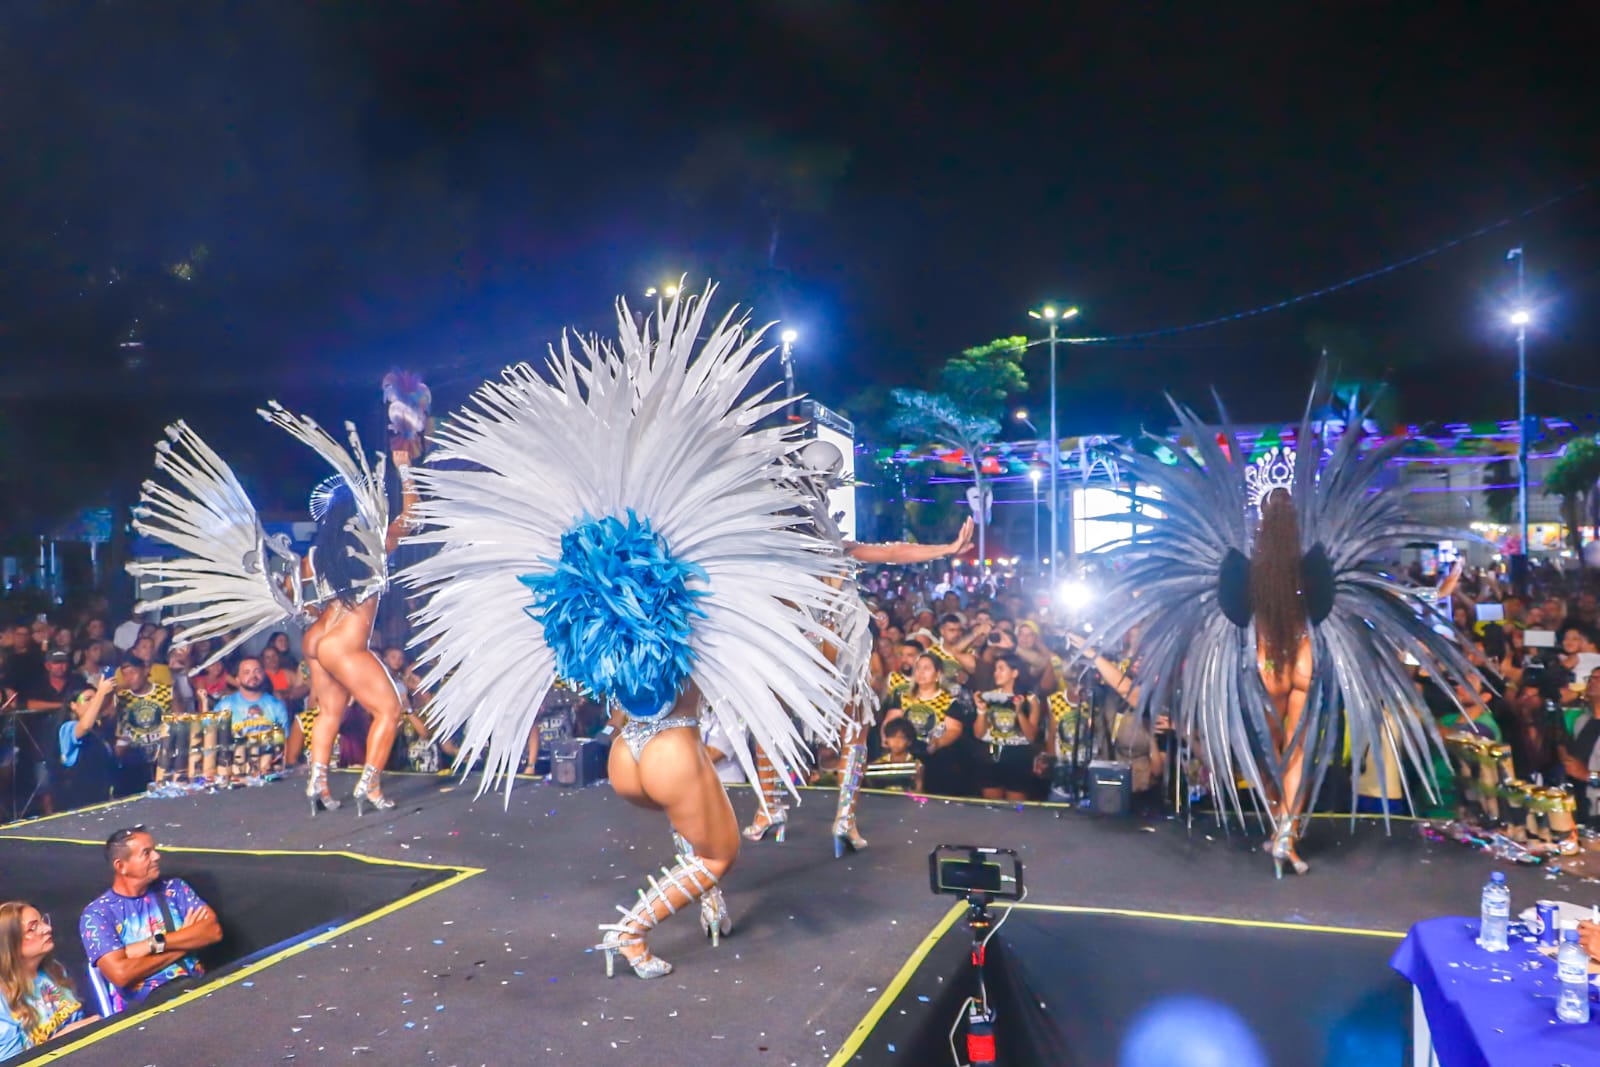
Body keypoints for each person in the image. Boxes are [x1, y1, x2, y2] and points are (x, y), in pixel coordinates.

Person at [402, 285, 853, 978]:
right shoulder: (690, 612)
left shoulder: (602, 632)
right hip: (670, 749)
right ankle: (631, 933)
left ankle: (707, 907)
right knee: (716, 850)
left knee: (697, 817)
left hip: (625, 755)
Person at [1078, 382, 1478, 877]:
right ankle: (1285, 834)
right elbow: (1369, 590)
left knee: (1269, 752)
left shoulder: (1246, 567)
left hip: (1262, 657)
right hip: (1306, 655)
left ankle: (1280, 829)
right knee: (1298, 754)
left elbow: (1197, 599)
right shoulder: (1313, 562)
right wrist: (1430, 595)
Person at [79, 827, 222, 1011]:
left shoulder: (174, 889)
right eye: (146, 853)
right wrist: (185, 944)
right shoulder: (97, 914)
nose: (157, 856)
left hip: (200, 988)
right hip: (147, 1008)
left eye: (154, 849)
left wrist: (152, 945)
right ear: (121, 866)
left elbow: (212, 931)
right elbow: (121, 974)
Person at [0, 902, 97, 1058]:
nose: (47, 929)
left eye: (43, 921)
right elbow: (14, 1063)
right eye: (33, 927)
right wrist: (68, 1035)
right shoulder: (2, 1001)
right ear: (10, 943)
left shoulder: (54, 970)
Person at [879, 652, 979, 796]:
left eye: (927, 668)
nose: (921, 672)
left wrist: (938, 742)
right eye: (918, 668)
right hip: (906, 755)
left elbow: (954, 730)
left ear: (937, 674)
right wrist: (886, 739)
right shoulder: (903, 697)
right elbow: (890, 721)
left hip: (934, 758)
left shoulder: (949, 701)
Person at [973, 653, 1042, 802]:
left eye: (1001, 669)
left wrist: (1019, 712)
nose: (996, 673)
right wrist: (981, 710)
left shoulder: (1030, 700)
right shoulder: (989, 696)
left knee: (1015, 806)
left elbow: (1031, 736)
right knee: (991, 806)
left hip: (1018, 754)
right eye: (995, 669)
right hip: (992, 752)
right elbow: (978, 734)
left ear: (1014, 673)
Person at [211, 657, 290, 740]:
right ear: (237, 679)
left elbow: (285, 742)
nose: (253, 676)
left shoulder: (276, 705)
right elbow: (212, 738)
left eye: (257, 671)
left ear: (263, 675)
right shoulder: (224, 706)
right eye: (246, 672)